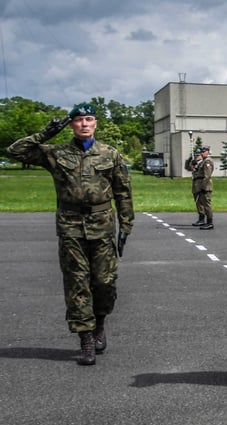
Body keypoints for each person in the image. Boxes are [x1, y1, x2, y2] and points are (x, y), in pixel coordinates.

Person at [8, 103, 134, 365]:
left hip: (102, 224)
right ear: (71, 124)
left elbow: (123, 192)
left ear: (95, 123)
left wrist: (126, 225)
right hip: (70, 225)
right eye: (78, 120)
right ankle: (85, 339)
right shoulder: (56, 153)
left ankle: (99, 324)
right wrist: (45, 133)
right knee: (77, 283)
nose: (84, 124)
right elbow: (16, 151)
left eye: (89, 119)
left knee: (104, 282)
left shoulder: (110, 154)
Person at [192, 146, 214, 229]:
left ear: (208, 152)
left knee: (207, 204)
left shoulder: (207, 161)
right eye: (201, 151)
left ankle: (210, 222)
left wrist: (203, 187)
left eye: (204, 151)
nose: (202, 153)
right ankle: (204, 221)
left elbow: (207, 176)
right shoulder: (203, 161)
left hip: (205, 186)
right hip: (201, 184)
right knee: (202, 203)